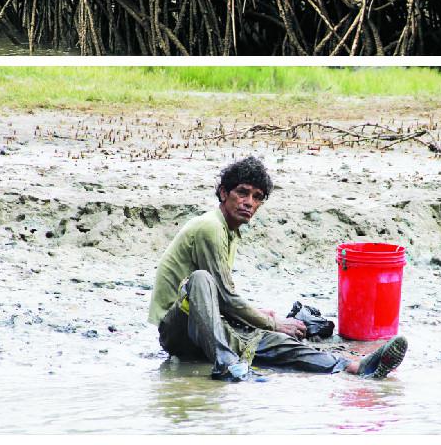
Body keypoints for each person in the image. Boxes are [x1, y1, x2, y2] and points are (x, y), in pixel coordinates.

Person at [148, 156, 407, 381]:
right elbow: (223, 296)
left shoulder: (230, 232)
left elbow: (222, 299)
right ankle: (226, 363)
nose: (248, 202)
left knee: (273, 342)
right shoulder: (210, 227)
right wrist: (271, 322)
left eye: (257, 197)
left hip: (206, 327)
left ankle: (354, 366)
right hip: (177, 330)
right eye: (242, 193)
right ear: (224, 193)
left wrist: (267, 325)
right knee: (202, 280)